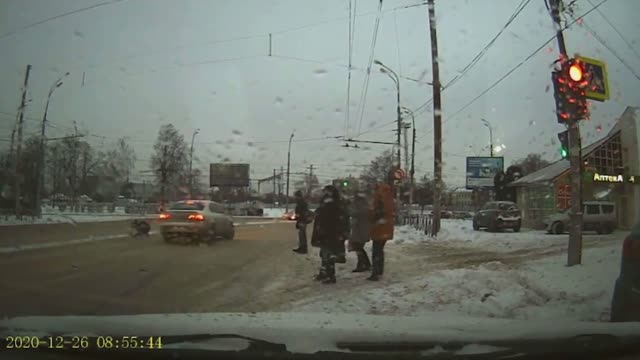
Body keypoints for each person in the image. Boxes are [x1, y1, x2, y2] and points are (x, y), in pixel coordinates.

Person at [310, 185, 348, 284]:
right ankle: (324, 272)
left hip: (331, 232)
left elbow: (340, 218)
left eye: (326, 191)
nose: (325, 193)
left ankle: (330, 275)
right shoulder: (328, 203)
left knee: (329, 254)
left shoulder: (335, 204)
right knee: (324, 253)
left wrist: (342, 232)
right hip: (325, 232)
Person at [368, 180, 394, 281]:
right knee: (379, 249)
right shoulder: (388, 194)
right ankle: (379, 270)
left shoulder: (380, 194)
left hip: (380, 227)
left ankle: (375, 273)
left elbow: (378, 211)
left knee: (376, 250)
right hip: (386, 226)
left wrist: (373, 218)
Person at [348, 189, 371, 272]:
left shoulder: (360, 205)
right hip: (361, 229)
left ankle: (362, 265)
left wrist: (352, 212)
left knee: (358, 247)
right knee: (359, 247)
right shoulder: (364, 204)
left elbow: (355, 213)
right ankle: (365, 264)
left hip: (360, 229)